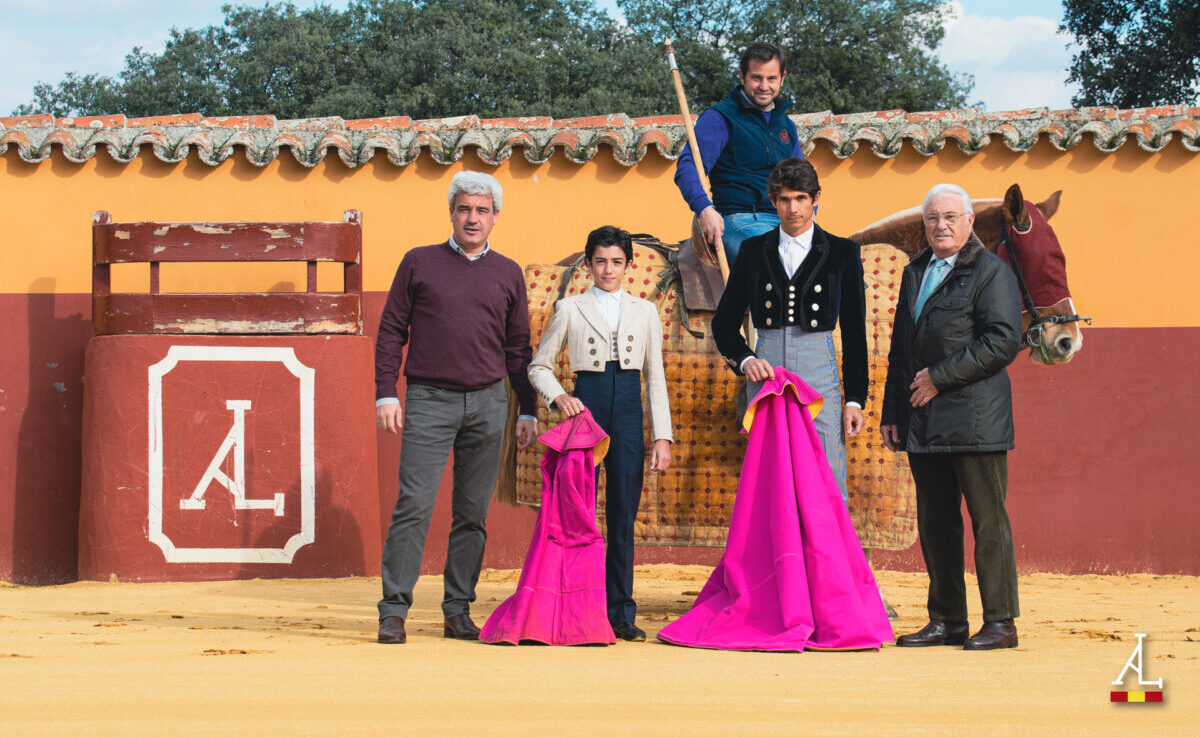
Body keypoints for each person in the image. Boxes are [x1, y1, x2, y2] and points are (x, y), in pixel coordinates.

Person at [374, 171, 538, 645]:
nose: (472, 218)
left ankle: (457, 609)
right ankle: (393, 611)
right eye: (464, 208)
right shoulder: (419, 262)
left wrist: (526, 408)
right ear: (451, 212)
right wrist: (387, 392)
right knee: (414, 506)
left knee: (472, 513)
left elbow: (518, 347)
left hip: (489, 402)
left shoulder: (508, 271)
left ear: (495, 217)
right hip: (429, 399)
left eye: (482, 210)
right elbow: (391, 332)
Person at [881, 183, 1023, 651]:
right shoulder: (915, 270)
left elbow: (1002, 341)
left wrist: (939, 377)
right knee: (936, 523)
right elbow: (901, 348)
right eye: (932, 219)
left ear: (967, 221)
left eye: (949, 217)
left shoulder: (991, 271)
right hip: (923, 418)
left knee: (988, 522)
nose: (940, 226)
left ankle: (1000, 623)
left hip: (976, 418)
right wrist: (892, 410)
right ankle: (947, 620)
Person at [527, 226, 673, 642]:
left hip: (628, 411)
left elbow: (655, 379)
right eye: (600, 261)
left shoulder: (645, 311)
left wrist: (661, 436)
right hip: (586, 410)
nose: (608, 270)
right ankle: (581, 606)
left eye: (616, 262)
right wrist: (559, 398)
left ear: (628, 265)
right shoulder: (570, 308)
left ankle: (622, 612)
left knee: (624, 516)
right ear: (588, 264)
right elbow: (539, 366)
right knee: (582, 514)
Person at [710, 157, 867, 503]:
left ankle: (826, 559)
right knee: (771, 478)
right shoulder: (753, 251)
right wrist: (746, 360)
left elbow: (855, 335)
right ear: (773, 201)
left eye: (800, 198)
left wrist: (855, 399)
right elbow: (723, 323)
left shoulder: (843, 252)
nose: (793, 208)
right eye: (784, 199)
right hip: (767, 370)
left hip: (819, 367)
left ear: (816, 198)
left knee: (826, 473)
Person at [674, 41, 807, 266]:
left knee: (843, 264)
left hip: (786, 222)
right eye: (757, 77)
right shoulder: (720, 118)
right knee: (776, 264)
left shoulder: (786, 126)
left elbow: (803, 181)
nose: (764, 86)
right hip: (739, 221)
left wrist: (809, 212)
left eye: (772, 78)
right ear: (742, 76)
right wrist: (705, 209)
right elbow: (687, 166)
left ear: (782, 78)